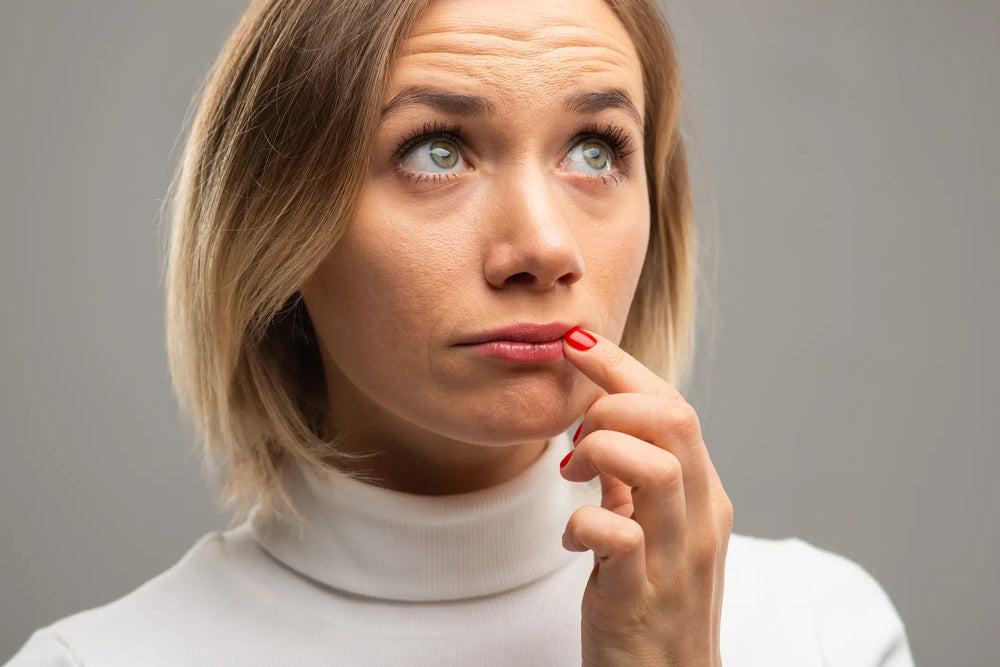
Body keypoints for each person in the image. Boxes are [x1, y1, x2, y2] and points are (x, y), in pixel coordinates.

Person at [6, 0, 915, 665]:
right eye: (437, 150)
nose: (546, 248)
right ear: (277, 219)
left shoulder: (821, 632)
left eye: (594, 149)